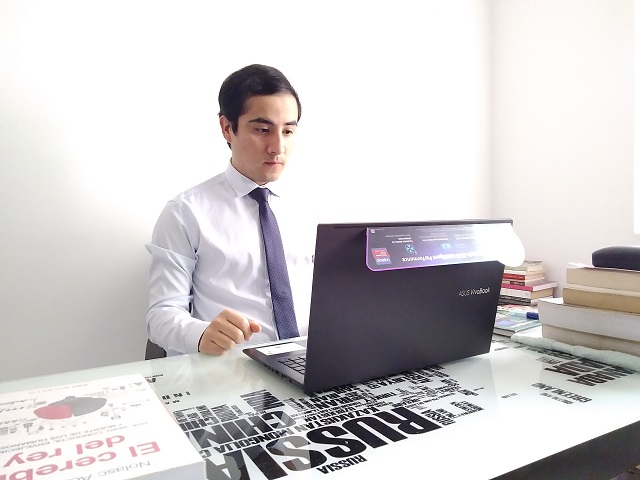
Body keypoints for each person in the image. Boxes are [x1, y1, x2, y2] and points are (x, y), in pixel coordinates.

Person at [146, 64, 315, 357]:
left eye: (288, 131)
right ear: (227, 128)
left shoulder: (307, 211)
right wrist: (200, 334)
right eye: (263, 130)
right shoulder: (185, 213)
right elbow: (160, 315)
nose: (278, 147)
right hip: (232, 368)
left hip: (308, 364)